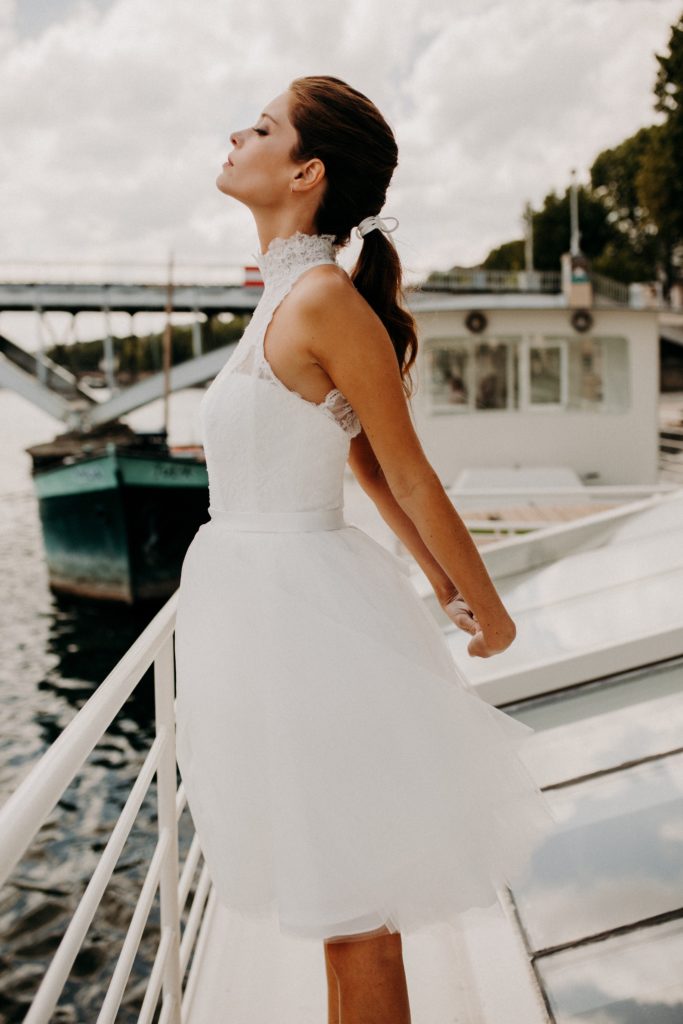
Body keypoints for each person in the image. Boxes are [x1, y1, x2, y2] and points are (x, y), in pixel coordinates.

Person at [174, 75, 557, 1024]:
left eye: (260, 127)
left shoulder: (320, 305)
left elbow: (409, 468)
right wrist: (436, 579)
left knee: (353, 912)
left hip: (303, 624)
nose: (236, 133)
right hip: (262, 619)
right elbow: (365, 471)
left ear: (304, 172)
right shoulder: (282, 303)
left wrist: (489, 610)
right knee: (339, 910)